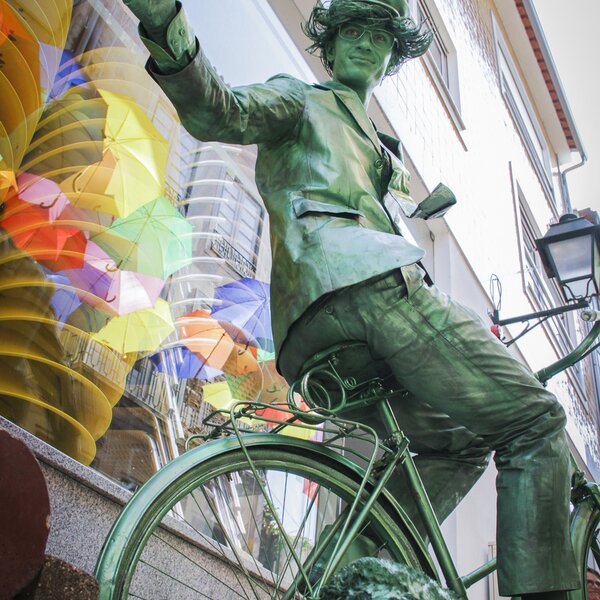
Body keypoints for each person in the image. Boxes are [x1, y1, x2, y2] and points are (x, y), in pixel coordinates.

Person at [122, 0, 579, 597]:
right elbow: (221, 110)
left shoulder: (380, 150)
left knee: (463, 443)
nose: (366, 43)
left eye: (380, 37)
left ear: (391, 57)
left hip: (311, 336)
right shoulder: (303, 99)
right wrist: (165, 25)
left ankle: (337, 581)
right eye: (353, 32)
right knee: (537, 421)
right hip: (364, 287)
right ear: (330, 48)